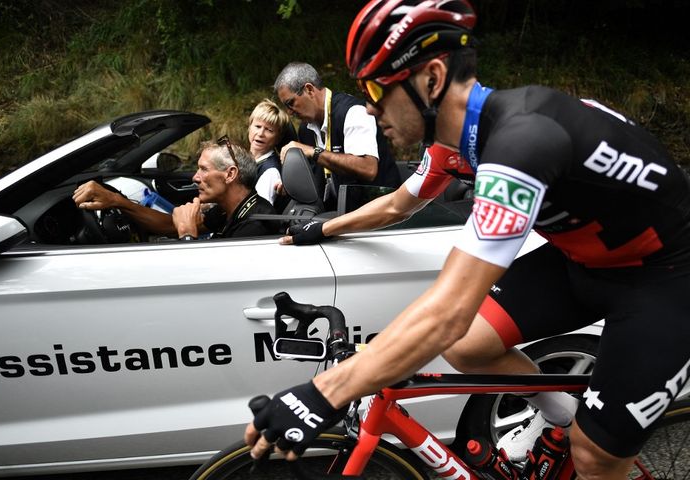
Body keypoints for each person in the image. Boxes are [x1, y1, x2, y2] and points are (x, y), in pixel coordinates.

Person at [244, 1, 690, 479]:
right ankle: (560, 420)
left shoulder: (524, 139)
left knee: (594, 455)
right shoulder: (457, 145)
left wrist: (324, 393)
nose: (370, 107)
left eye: (377, 88)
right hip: (583, 261)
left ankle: (582, 439)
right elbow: (398, 205)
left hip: (665, 280)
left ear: (432, 79)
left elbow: (448, 309)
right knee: (471, 344)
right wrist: (322, 227)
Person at [73, 139, 279, 240]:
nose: (195, 177)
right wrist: (117, 201)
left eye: (203, 169)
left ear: (230, 174)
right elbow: (168, 225)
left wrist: (188, 233)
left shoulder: (255, 226)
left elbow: (209, 283)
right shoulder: (228, 209)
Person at [274, 61, 401, 210]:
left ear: (309, 90)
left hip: (384, 211)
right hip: (342, 212)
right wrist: (292, 182)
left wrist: (314, 152)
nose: (289, 112)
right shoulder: (305, 129)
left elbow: (368, 169)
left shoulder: (354, 112)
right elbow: (316, 179)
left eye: (291, 103)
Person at [248, 99, 291, 207]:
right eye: (257, 126)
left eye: (269, 130)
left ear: (278, 138)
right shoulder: (244, 160)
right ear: (249, 127)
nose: (261, 133)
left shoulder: (270, 171)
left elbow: (257, 213)